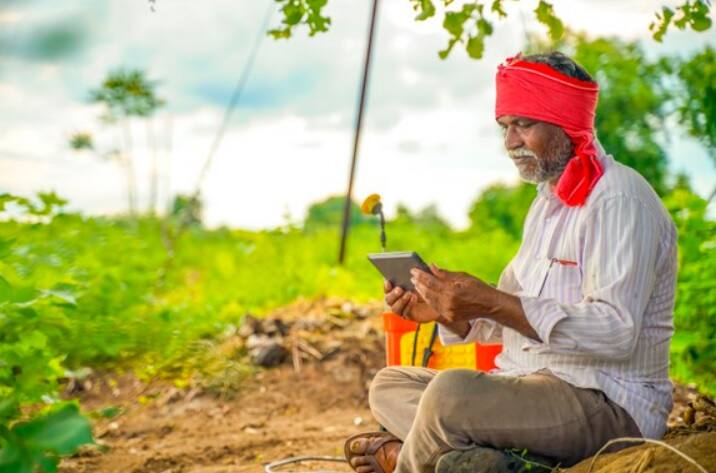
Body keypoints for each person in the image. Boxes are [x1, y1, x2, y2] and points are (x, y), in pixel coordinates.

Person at [343, 51, 678, 473]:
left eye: (524, 124)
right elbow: (513, 315)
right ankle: (483, 461)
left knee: (450, 395)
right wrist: (454, 315)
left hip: (605, 403)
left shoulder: (619, 198)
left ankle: (412, 460)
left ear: (567, 122)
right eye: (505, 127)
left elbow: (616, 332)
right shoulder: (546, 204)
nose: (510, 143)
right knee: (390, 385)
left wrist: (491, 302)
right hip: (533, 386)